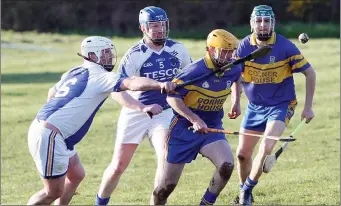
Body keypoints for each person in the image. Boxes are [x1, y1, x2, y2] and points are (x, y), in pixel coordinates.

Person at [27, 36, 176, 205]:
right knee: (52, 192)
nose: (109, 57)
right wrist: (160, 84)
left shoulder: (74, 71)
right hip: (51, 135)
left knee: (76, 175)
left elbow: (51, 93)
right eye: (105, 53)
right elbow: (133, 82)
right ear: (93, 55)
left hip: (49, 130)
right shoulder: (100, 76)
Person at [95, 6, 192, 205]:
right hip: (135, 113)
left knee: (165, 159)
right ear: (143, 28)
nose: (159, 30)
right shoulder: (134, 55)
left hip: (165, 113)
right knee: (118, 166)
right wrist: (141, 108)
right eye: (154, 26)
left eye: (162, 25)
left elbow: (191, 77)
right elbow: (116, 92)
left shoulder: (178, 49)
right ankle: (100, 202)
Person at [232, 5, 316, 205]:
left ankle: (246, 191)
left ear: (273, 23)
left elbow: (310, 73)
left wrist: (308, 106)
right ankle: (245, 194)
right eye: (259, 21)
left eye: (267, 21)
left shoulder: (285, 46)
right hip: (254, 107)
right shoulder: (244, 47)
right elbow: (235, 75)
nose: (263, 25)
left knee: (266, 146)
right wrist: (235, 101)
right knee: (242, 155)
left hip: (281, 104)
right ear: (252, 23)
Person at [151, 29, 242, 205]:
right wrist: (194, 119)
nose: (228, 56)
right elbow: (172, 97)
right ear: (210, 50)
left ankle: (206, 203)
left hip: (212, 127)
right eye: (224, 51)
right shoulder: (194, 71)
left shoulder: (233, 65)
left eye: (231, 51)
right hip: (183, 130)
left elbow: (237, 77)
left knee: (226, 165)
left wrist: (236, 101)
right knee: (165, 188)